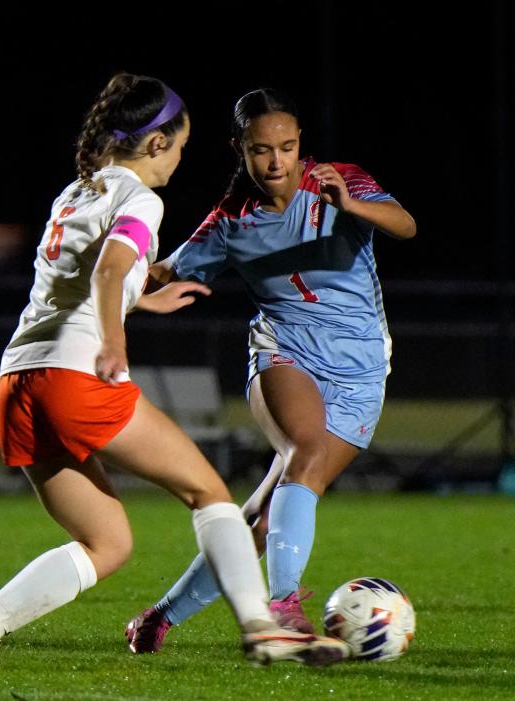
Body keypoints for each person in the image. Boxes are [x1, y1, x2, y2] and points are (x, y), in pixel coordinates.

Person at [0, 75, 349, 669]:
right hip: (76, 376)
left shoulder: (74, 192)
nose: (179, 162)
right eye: (180, 149)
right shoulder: (141, 198)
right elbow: (108, 270)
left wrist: (140, 296)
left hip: (20, 380)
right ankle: (264, 628)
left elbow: (77, 280)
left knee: (107, 543)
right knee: (208, 493)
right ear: (156, 145)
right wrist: (112, 338)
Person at [124, 88, 416, 654]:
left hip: (361, 370)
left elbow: (404, 225)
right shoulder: (232, 221)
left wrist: (352, 207)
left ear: (300, 143)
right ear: (240, 149)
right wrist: (111, 273)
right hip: (284, 350)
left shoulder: (341, 182)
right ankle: (283, 604)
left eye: (287, 147)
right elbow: (165, 271)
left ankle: (159, 618)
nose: (276, 161)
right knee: (303, 451)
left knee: (262, 521)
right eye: (262, 150)